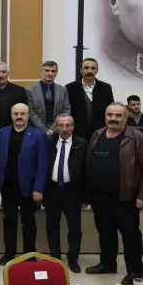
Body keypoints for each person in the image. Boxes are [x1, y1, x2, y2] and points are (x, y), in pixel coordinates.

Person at [86, 102, 143, 285]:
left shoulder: (138, 138)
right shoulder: (97, 134)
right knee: (105, 232)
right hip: (99, 195)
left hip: (126, 197)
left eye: (118, 115)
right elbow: (89, 162)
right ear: (105, 116)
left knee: (130, 235)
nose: (113, 119)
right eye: (110, 115)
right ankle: (107, 264)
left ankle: (134, 271)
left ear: (126, 117)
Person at [0, 103, 49, 266]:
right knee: (9, 221)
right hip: (8, 186)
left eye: (22, 113)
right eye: (16, 113)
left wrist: (38, 188)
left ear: (28, 115)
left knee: (29, 222)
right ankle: (9, 253)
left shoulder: (39, 135)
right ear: (11, 115)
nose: (19, 116)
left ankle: (29, 254)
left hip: (29, 188)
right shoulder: (1, 133)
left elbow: (43, 164)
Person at [44, 114, 88, 273]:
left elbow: (86, 171)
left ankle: (73, 259)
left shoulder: (82, 144)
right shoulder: (48, 143)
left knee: (74, 227)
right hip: (52, 190)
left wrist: (85, 196)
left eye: (68, 125)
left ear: (73, 126)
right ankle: (55, 257)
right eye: (61, 125)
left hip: (73, 191)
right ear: (56, 127)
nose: (64, 129)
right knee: (51, 225)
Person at [65, 58, 114, 141]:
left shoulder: (106, 88)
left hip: (101, 133)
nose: (89, 71)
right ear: (81, 70)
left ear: (97, 71)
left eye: (93, 68)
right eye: (86, 68)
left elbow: (110, 110)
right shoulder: (70, 88)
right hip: (77, 134)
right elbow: (67, 111)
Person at [26, 61, 70, 136]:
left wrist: (53, 128)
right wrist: (44, 130)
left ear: (56, 73)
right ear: (41, 72)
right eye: (47, 70)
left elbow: (66, 110)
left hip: (58, 131)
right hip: (36, 131)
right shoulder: (30, 90)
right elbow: (30, 112)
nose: (50, 73)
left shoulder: (63, 90)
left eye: (53, 71)